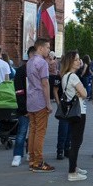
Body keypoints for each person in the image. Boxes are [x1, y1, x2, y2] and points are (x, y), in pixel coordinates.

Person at [59, 50, 89, 182]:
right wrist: (81, 91)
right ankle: (72, 172)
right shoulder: (74, 77)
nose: (79, 61)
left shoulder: (65, 76)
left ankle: (75, 166)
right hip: (78, 112)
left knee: (74, 140)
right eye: (76, 59)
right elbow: (85, 94)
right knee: (76, 142)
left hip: (71, 111)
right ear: (70, 62)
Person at [26, 38, 55, 172]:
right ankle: (38, 161)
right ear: (41, 48)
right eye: (48, 47)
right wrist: (48, 103)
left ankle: (32, 159)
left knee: (32, 130)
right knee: (40, 132)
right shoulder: (42, 63)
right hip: (40, 100)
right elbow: (45, 83)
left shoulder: (30, 61)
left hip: (30, 99)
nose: (49, 50)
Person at [10, 47, 34, 167]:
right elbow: (19, 91)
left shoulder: (40, 69)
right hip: (24, 107)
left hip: (36, 106)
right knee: (22, 131)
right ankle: (17, 155)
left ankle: (30, 152)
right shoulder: (21, 71)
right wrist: (24, 109)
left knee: (34, 132)